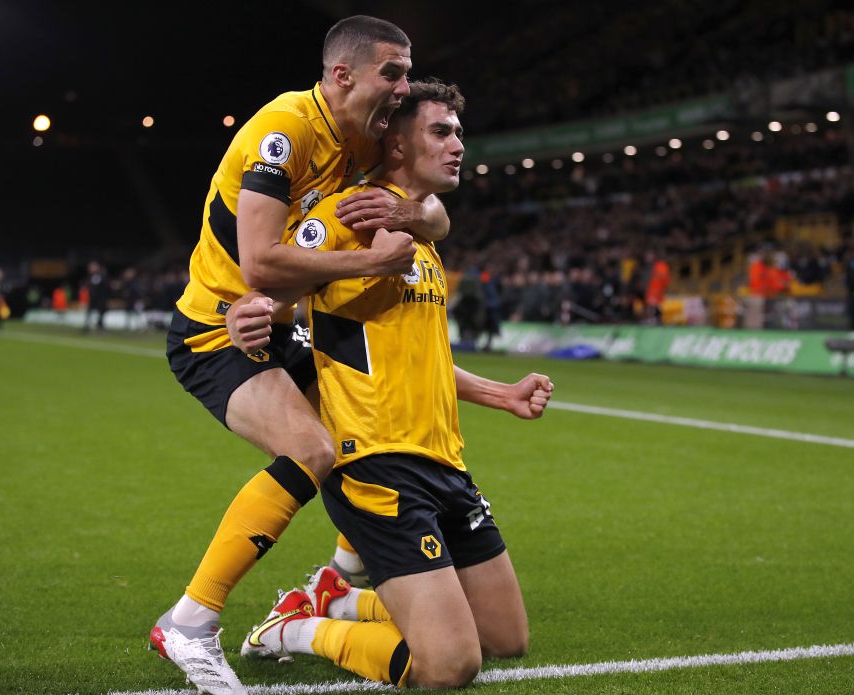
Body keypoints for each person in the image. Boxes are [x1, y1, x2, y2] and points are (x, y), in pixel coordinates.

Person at [149, 16, 452, 695]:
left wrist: (412, 220)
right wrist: (365, 262)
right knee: (314, 449)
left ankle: (337, 579)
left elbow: (438, 211)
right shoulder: (284, 130)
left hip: (275, 323)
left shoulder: (361, 140)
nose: (403, 86)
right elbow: (258, 262)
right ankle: (189, 621)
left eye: (408, 71)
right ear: (341, 75)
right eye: (393, 72)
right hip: (217, 330)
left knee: (365, 430)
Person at [227, 79, 554, 688]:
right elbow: (271, 286)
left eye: (459, 132)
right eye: (441, 131)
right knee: (449, 665)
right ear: (397, 146)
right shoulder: (347, 213)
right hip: (376, 464)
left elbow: (415, 357)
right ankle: (294, 629)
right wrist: (250, 313)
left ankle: (339, 599)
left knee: (506, 640)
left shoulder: (422, 233)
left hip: (444, 460)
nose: (458, 144)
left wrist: (499, 394)